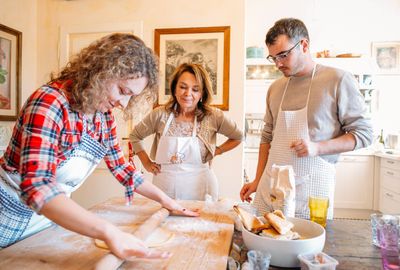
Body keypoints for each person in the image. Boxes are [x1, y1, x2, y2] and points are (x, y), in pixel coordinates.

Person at [0, 33, 198, 259]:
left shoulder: (103, 118)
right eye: (123, 91)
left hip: (46, 221)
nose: (122, 104)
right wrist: (109, 231)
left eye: (131, 97)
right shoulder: (50, 103)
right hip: (5, 219)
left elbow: (123, 170)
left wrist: (167, 201)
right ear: (101, 72)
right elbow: (38, 187)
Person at [240, 18, 373, 219]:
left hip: (312, 193)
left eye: (284, 55)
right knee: (262, 244)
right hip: (271, 189)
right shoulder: (275, 88)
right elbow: (267, 138)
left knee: (306, 248)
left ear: (304, 45)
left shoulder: (338, 80)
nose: (278, 64)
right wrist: (257, 179)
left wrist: (317, 147)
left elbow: (364, 134)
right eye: (273, 58)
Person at [129, 63, 243, 201]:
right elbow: (135, 136)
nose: (188, 94)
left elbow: (238, 136)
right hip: (164, 189)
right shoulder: (160, 114)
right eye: (183, 87)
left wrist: (216, 150)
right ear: (174, 89)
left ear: (202, 93)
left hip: (201, 189)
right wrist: (146, 163)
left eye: (195, 89)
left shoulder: (213, 116)